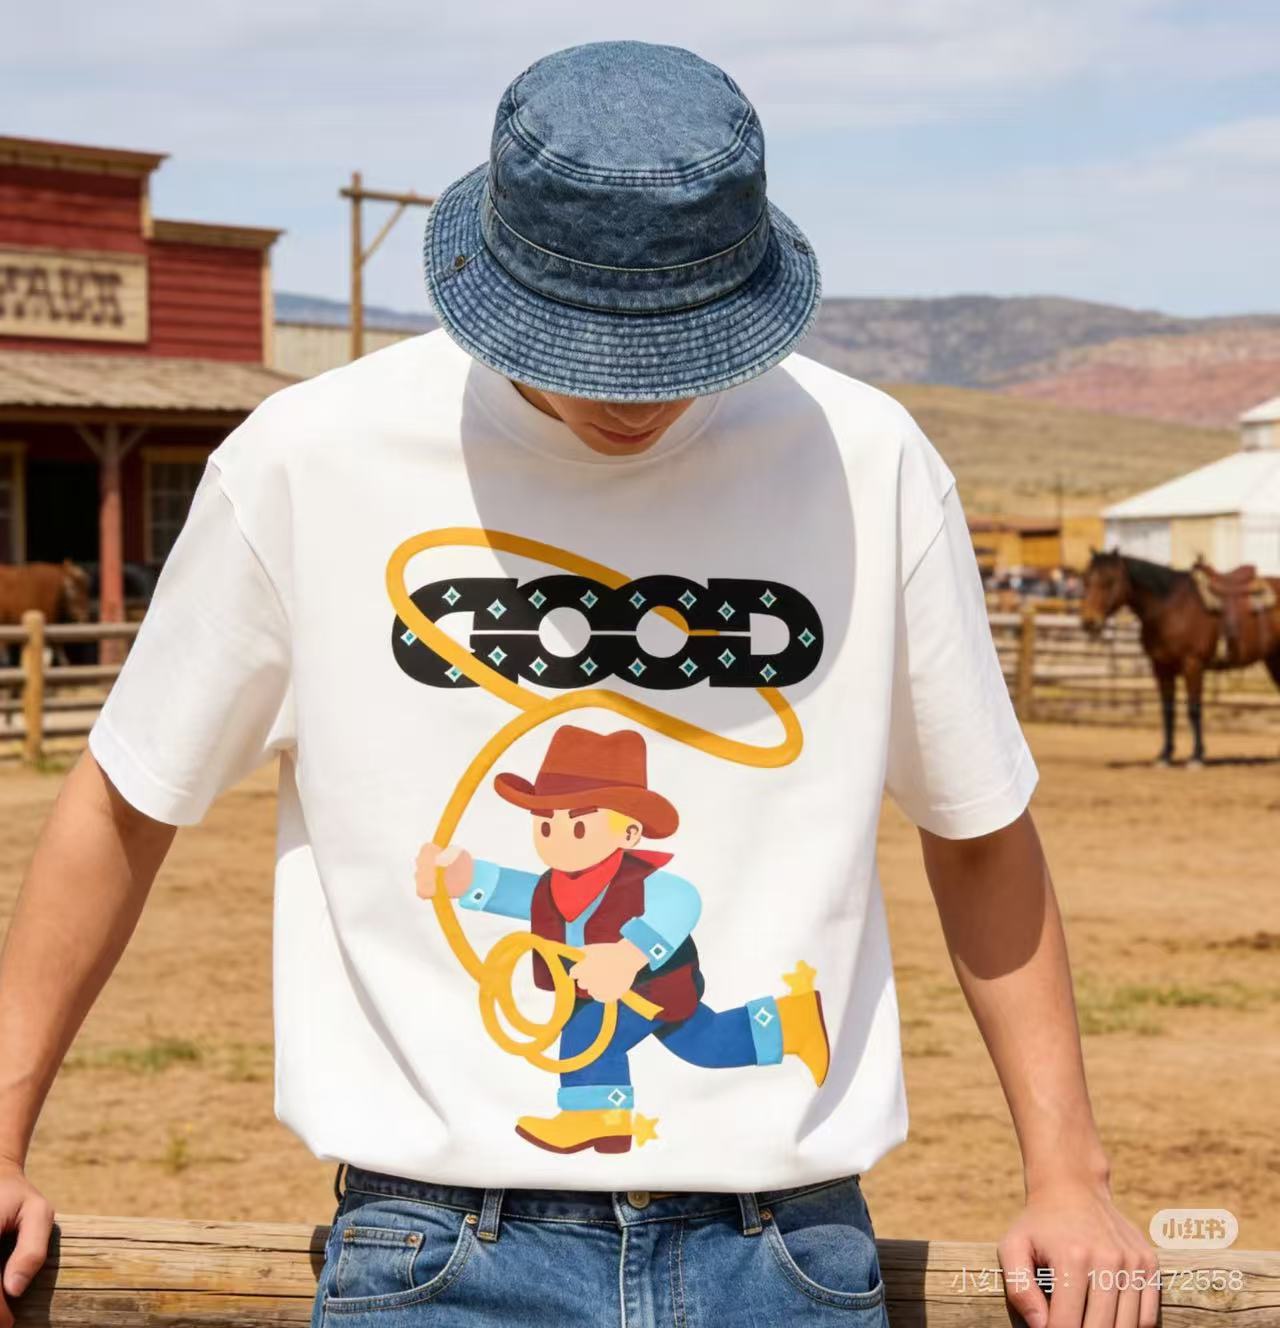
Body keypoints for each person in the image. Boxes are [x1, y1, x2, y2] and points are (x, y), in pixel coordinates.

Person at [0, 39, 1158, 1328]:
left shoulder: (866, 462)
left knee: (693, 1025)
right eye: (592, 347)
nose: (635, 397)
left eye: (678, 348)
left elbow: (981, 829)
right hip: (438, 1253)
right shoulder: (307, 462)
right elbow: (125, 799)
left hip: (782, 1249)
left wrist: (1070, 1174)